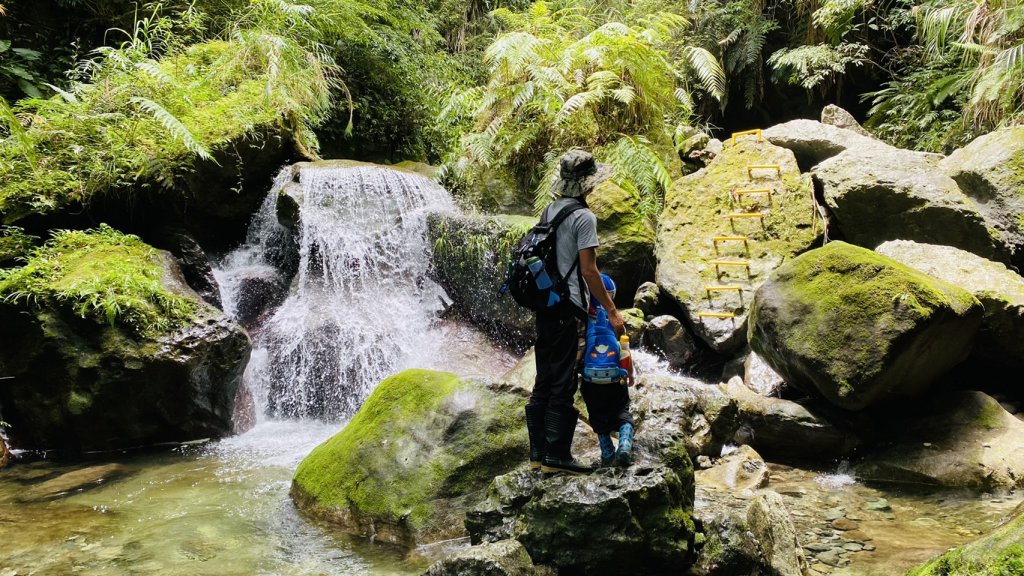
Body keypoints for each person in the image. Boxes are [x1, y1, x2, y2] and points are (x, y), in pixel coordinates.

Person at [526, 150, 624, 475]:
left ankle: (538, 454)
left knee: (544, 376)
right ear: (587, 184)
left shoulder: (549, 210)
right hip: (568, 307)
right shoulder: (584, 217)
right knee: (564, 379)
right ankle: (557, 456)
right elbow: (589, 271)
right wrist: (611, 311)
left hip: (545, 304)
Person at [581, 273, 636, 467]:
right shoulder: (616, 321)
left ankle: (606, 453)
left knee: (597, 414)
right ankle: (625, 443)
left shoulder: (583, 320)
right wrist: (629, 373)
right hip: (614, 377)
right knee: (621, 411)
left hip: (591, 380)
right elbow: (625, 351)